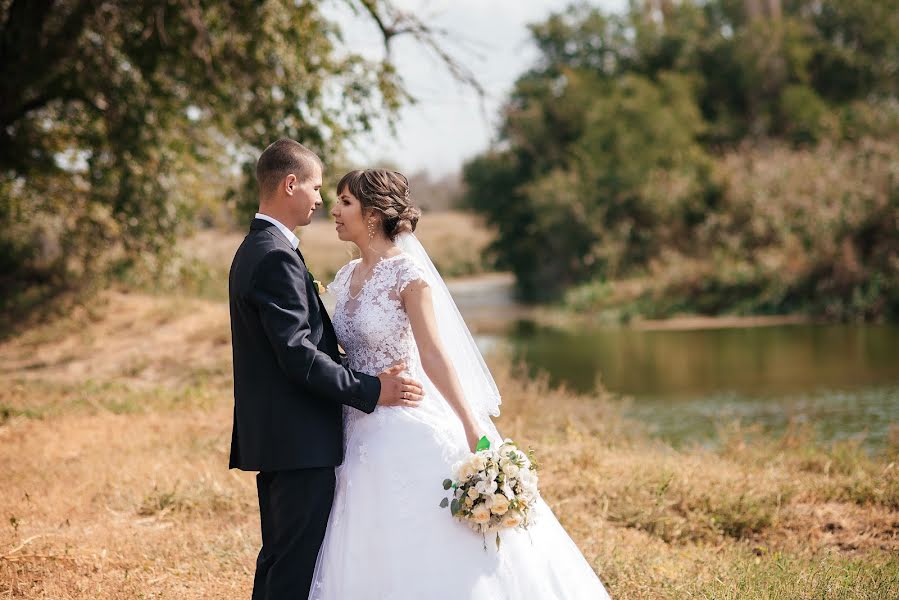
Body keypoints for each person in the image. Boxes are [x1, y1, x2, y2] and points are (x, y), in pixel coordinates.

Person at [309, 169, 611, 599]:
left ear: (373, 214)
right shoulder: (346, 275)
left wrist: (471, 423)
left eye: (345, 202)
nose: (333, 210)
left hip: (401, 421)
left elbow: (433, 354)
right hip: (355, 423)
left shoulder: (407, 275)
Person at [228, 140, 425, 600]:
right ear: (290, 184)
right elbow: (298, 356)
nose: (321, 201)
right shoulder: (275, 254)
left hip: (281, 436)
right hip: (298, 441)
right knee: (292, 568)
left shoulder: (259, 246)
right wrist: (374, 389)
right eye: (317, 188)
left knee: (279, 560)